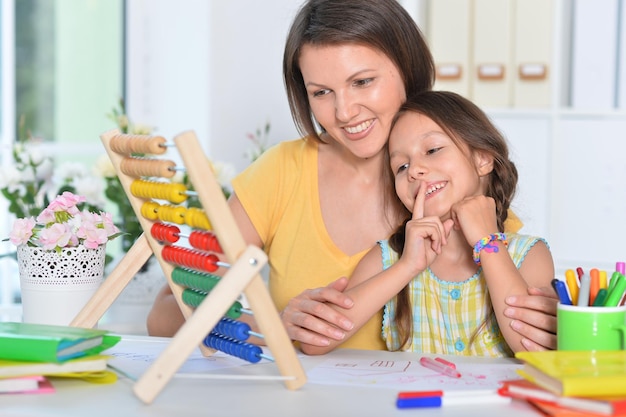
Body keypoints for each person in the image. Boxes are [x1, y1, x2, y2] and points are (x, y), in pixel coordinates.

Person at [147, 0, 558, 351]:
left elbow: (524, 326)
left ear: (407, 69)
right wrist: (271, 326)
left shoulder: (455, 186)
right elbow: (167, 313)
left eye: (362, 82)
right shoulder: (281, 172)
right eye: (321, 92)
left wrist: (552, 326)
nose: (343, 111)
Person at [300, 91, 555, 356]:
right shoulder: (390, 259)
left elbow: (533, 350)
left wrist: (487, 242)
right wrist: (408, 266)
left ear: (482, 158)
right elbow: (316, 341)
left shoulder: (529, 255)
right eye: (401, 166)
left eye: (432, 150)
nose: (414, 170)